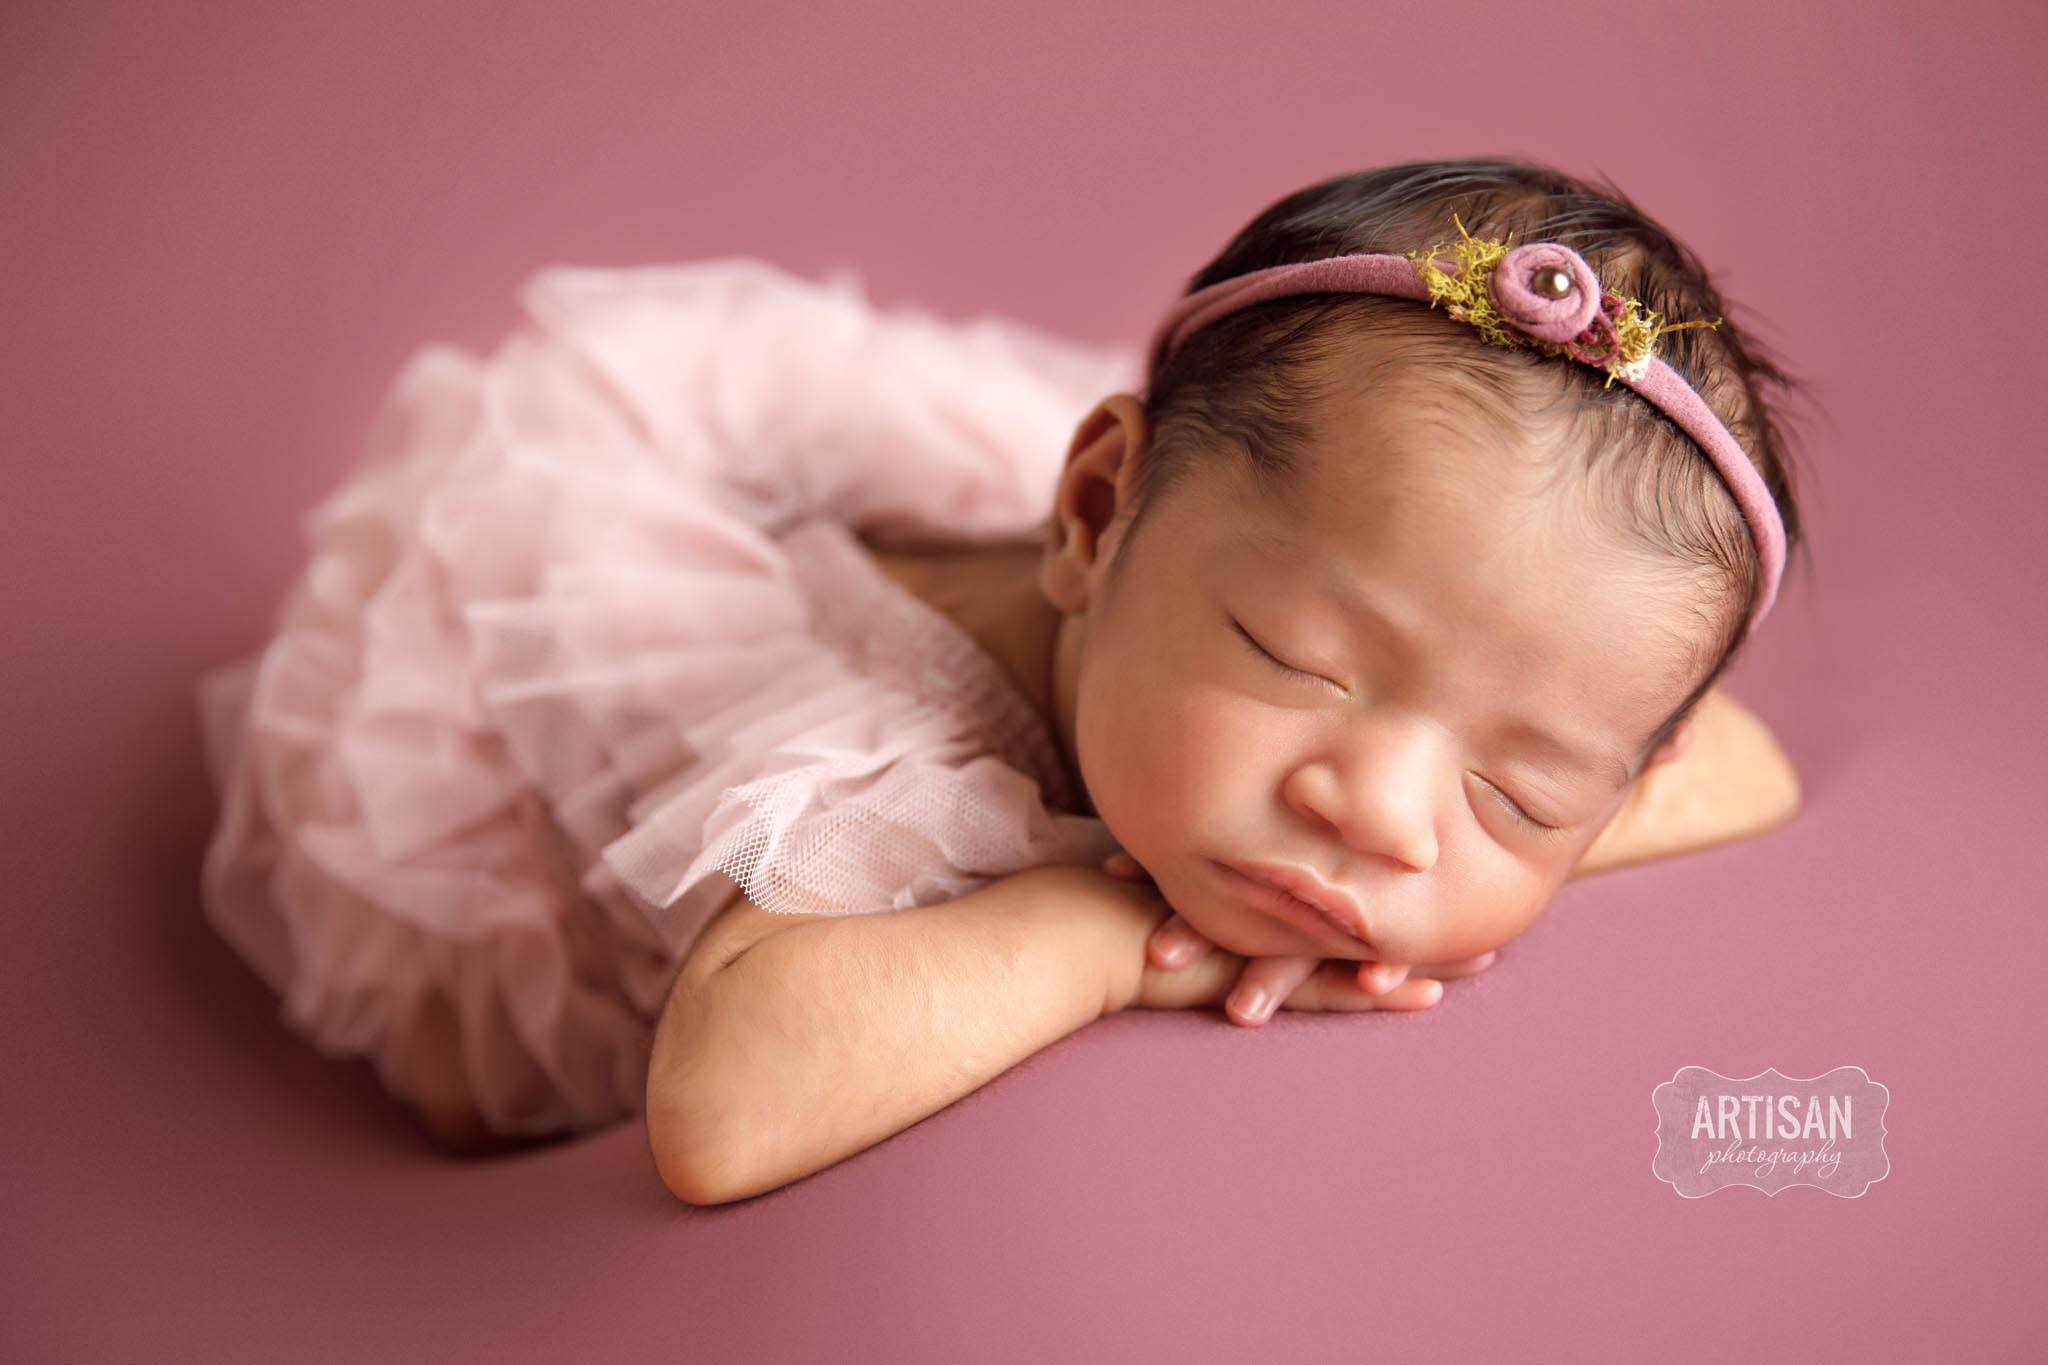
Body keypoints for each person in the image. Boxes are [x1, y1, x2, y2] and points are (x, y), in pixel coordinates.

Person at [195, 156, 1808, 1187]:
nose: (1381, 812)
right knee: (487, 1091)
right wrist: (1114, 929)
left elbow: (1745, 766)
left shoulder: (1471, 694)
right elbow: (721, 1108)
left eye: (1516, 789)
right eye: (1299, 660)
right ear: (1099, 516)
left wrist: (1439, 874)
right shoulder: (880, 752)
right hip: (554, 675)